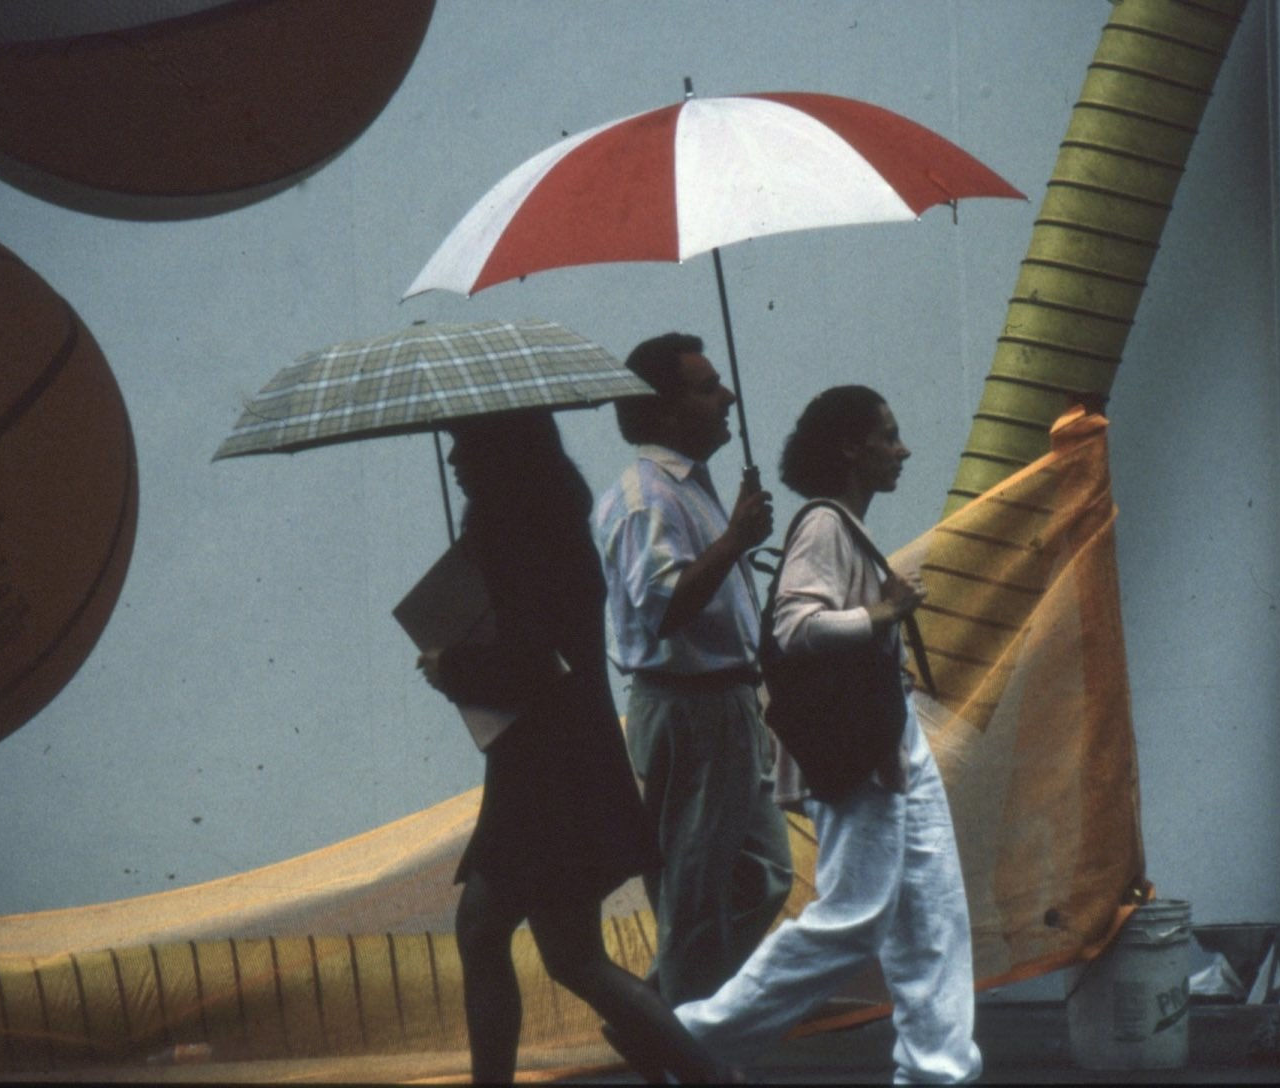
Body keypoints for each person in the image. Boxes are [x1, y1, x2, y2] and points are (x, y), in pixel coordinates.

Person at [673, 385, 983, 1083]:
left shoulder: (840, 525)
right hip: (865, 744)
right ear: (851, 447)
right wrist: (882, 616)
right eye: (889, 436)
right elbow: (795, 626)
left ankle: (940, 1070)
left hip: (887, 736)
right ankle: (692, 1034)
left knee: (931, 912)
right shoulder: (824, 527)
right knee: (858, 914)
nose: (902, 450)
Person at [416, 409, 732, 1084]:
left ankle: (714, 1079)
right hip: (555, 765)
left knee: (546, 949)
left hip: (545, 772)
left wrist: (452, 667)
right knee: (530, 944)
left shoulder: (521, 541)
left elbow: (532, 662)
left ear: (504, 456)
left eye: (466, 446)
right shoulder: (543, 531)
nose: (454, 463)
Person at [593, 333, 793, 1009]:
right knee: (697, 893)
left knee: (762, 874)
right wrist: (736, 539)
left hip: (722, 709)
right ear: (667, 411)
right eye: (708, 387)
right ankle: (677, 1039)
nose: (727, 395)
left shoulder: (689, 488)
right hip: (692, 711)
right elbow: (662, 609)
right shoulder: (648, 499)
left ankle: (660, 1011)